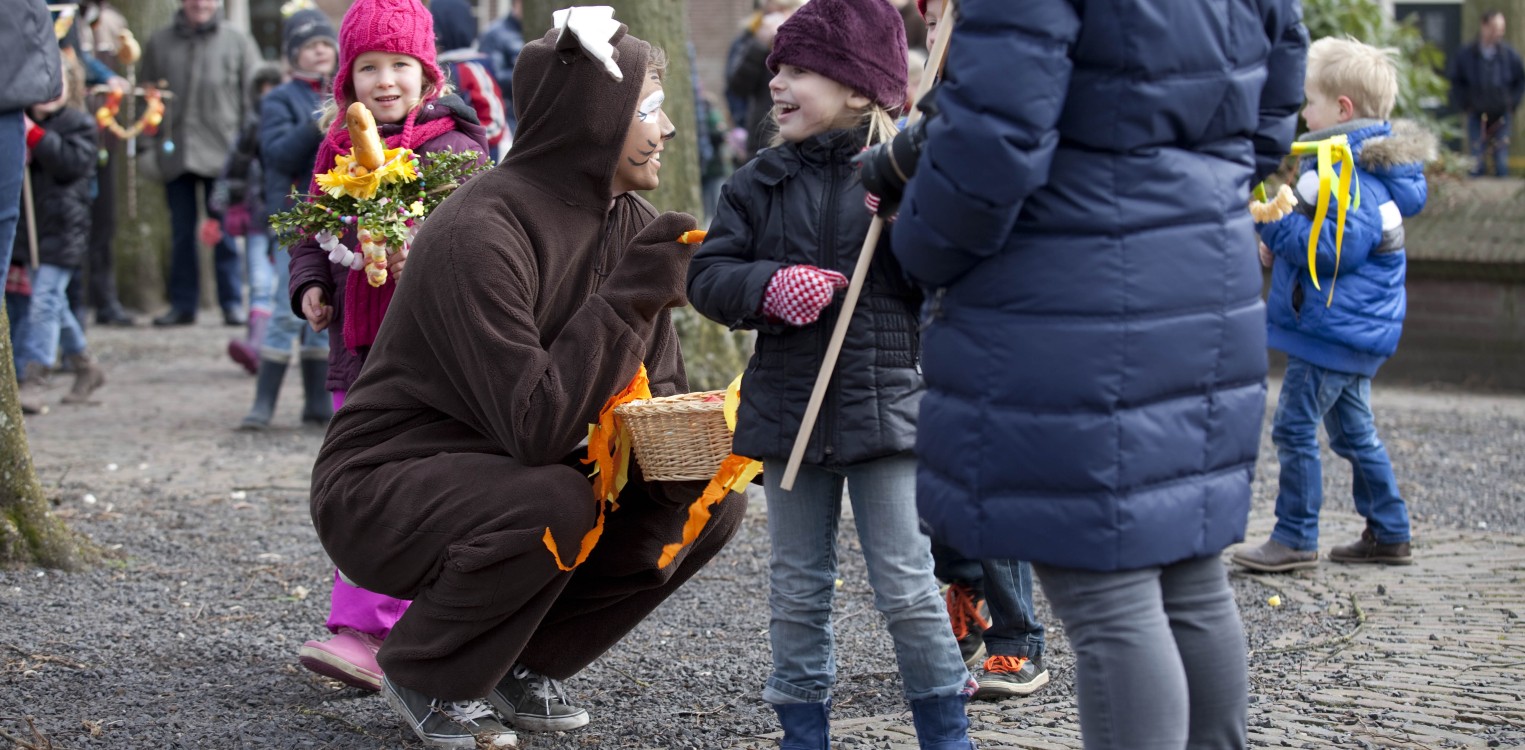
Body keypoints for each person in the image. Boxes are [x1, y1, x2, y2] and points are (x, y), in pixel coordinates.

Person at [864, 0, 1309, 746]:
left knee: (1111, 601)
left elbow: (991, 147)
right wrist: (1194, 184)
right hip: (1203, 280)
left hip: (1068, 294)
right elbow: (1275, 98)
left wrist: (918, 243)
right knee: (1191, 578)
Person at [307, 6, 746, 748]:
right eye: (648, 110)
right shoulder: (480, 229)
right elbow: (537, 425)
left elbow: (657, 393)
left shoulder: (627, 221)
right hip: (385, 482)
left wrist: (711, 445)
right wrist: (630, 296)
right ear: (593, 118)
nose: (667, 129)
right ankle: (425, 669)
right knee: (557, 500)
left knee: (711, 501)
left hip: (512, 471)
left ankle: (518, 661)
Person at [688, 1, 976, 747]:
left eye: (799, 70)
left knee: (905, 584)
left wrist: (912, 223)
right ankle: (802, 729)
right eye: (777, 68)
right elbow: (707, 276)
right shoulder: (757, 182)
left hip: (887, 408)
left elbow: (944, 282)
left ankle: (945, 728)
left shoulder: (904, 177)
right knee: (796, 587)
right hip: (790, 410)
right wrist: (768, 287)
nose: (777, 83)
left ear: (856, 90)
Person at [288, 0, 490, 696]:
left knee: (408, 488)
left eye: (400, 64)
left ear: (427, 73)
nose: (384, 80)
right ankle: (369, 630)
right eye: (368, 66)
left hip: (429, 358)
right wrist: (312, 285)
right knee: (358, 485)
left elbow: (484, 247)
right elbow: (311, 231)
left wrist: (421, 255)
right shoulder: (335, 152)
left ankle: (382, 630)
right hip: (355, 351)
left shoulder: (454, 151)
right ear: (346, 79)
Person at [1232, 37, 1434, 574]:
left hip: (1332, 334)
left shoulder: (1349, 173)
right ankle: (1389, 531)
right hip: (1353, 331)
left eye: (1311, 101)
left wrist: (1275, 225)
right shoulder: (1352, 168)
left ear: (1342, 109)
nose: (1304, 113)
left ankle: (1295, 536)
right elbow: (1325, 239)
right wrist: (1284, 242)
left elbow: (1334, 249)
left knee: (1294, 427)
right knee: (1353, 432)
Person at [905, 0, 1051, 701]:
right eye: (930, 20)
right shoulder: (934, 101)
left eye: (947, 17)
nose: (935, 31)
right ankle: (966, 594)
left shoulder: (1013, 92)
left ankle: (1018, 638)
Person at [240, 7, 337, 431]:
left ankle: (317, 402)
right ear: (293, 53)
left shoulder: (345, 93)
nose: (319, 51)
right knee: (286, 307)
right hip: (292, 219)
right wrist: (322, 119)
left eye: (325, 43)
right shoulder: (278, 99)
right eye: (310, 45)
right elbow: (277, 154)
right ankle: (263, 403)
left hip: (331, 217)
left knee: (324, 305)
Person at [139, 0, 262, 327]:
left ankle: (231, 303)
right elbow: (146, 99)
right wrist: (146, 147)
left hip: (224, 160)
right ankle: (183, 304)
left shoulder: (238, 41)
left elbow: (254, 100)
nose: (200, 4)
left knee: (225, 232)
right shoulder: (159, 42)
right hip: (175, 155)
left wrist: (249, 150)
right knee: (181, 233)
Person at [14, 51, 107, 410]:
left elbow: (70, 163)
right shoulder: (17, 124)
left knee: (44, 302)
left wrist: (35, 137)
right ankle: (86, 365)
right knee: (52, 302)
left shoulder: (79, 125)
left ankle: (35, 377)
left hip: (65, 229)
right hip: (32, 231)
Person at [215, 63, 284, 375]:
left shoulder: (287, 129)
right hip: (257, 220)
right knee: (259, 283)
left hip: (287, 216)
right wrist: (226, 208)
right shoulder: (249, 133)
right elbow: (231, 171)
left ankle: (282, 346)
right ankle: (255, 344)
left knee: (285, 285)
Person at [724, 0, 808, 160]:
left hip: (799, 134)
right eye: (769, 12)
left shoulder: (809, 37)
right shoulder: (749, 38)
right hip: (762, 135)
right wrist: (759, 46)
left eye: (781, 10)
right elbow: (736, 87)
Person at [430, 0, 510, 161]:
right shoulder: (430, 68)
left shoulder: (471, 68)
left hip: (479, 160)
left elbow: (495, 123)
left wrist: (463, 142)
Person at [1448, 11, 1525, 177]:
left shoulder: (1510, 55)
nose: (1499, 33)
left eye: (1501, 29)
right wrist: (1465, 105)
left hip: (1502, 116)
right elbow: (1456, 82)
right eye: (1495, 28)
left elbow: (1520, 80)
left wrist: (1511, 104)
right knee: (1476, 161)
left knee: (1501, 162)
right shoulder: (1465, 55)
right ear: (1484, 26)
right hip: (1476, 115)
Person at [477, 0, 524, 134]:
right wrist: (527, 75)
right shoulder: (495, 34)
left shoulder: (540, 29)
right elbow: (491, 76)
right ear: (516, 3)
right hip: (507, 117)